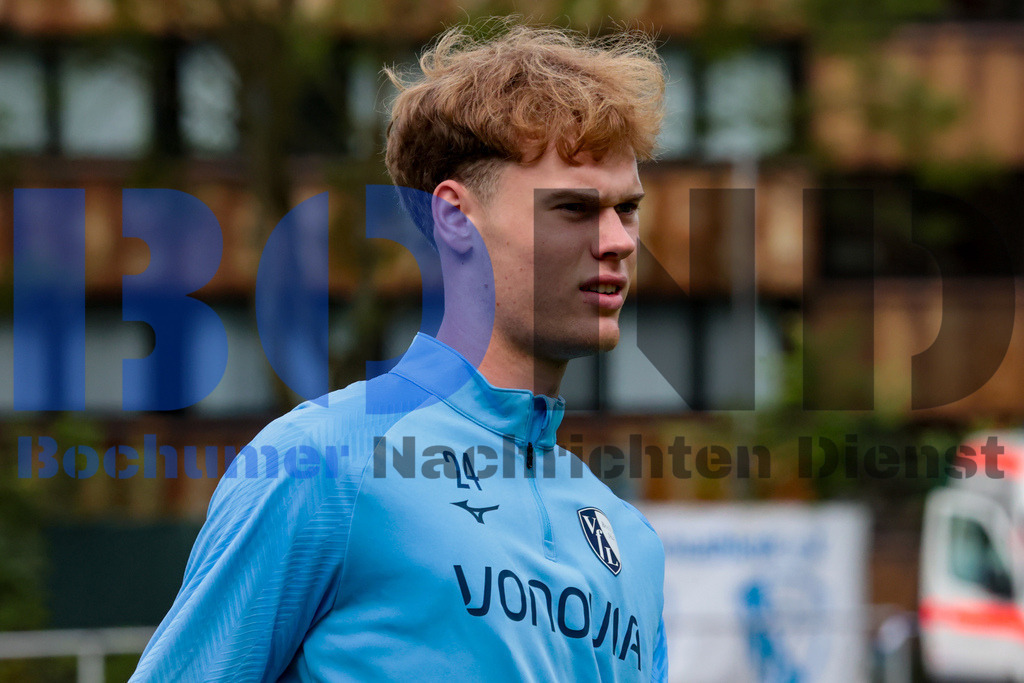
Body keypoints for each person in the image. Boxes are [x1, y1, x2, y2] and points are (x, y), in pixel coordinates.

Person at [132, 18, 668, 682]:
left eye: (627, 209)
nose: (618, 240)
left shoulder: (631, 540)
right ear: (455, 218)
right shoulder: (322, 464)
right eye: (574, 209)